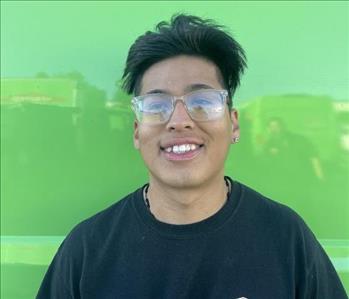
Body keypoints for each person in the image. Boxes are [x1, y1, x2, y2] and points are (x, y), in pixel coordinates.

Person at [37, 14, 347, 298]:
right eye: (157, 106)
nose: (179, 120)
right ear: (136, 131)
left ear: (233, 123)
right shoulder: (87, 250)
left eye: (203, 101)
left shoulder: (286, 239)